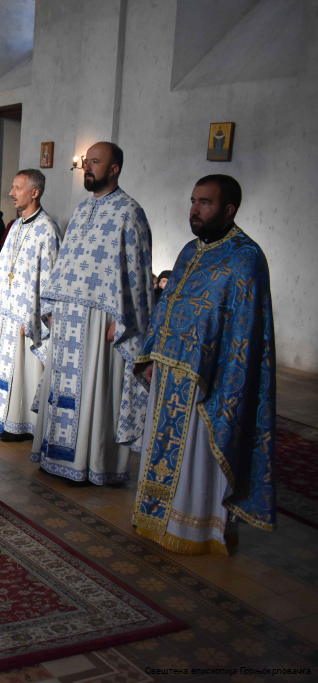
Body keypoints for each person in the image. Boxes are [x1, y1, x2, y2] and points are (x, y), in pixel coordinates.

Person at [133, 175, 275, 555]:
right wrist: (152, 354)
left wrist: (221, 378)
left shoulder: (245, 257)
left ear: (229, 210)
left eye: (205, 203)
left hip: (209, 382)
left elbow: (245, 332)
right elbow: (167, 307)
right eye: (193, 201)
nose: (195, 210)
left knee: (197, 456)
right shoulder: (188, 251)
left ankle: (195, 528)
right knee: (161, 449)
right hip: (168, 374)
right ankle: (155, 518)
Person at [31, 142, 153, 485]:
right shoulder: (82, 209)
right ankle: (55, 457)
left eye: (95, 162)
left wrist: (125, 319)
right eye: (86, 161)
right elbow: (65, 264)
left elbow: (139, 272)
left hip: (103, 322)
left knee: (94, 393)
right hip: (68, 317)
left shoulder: (130, 212)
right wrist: (52, 308)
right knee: (63, 388)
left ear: (114, 169)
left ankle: (92, 464)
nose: (87, 167)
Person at [0, 169, 61, 441]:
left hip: (27, 317)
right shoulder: (15, 226)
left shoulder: (47, 229)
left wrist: (36, 318)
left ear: (34, 192)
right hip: (6, 311)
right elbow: (3, 269)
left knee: (24, 370)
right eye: (12, 187)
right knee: (4, 367)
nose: (11, 193)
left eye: (17, 188)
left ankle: (20, 422)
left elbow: (50, 278)